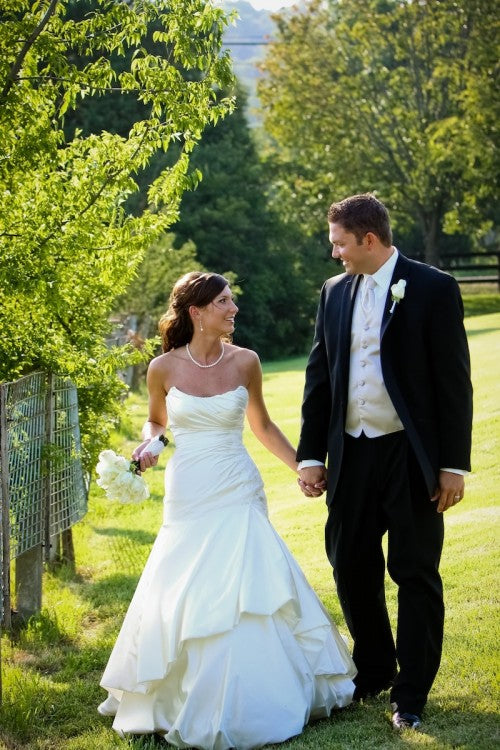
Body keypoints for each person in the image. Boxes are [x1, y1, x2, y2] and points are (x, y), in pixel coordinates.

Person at [98, 271, 356, 749]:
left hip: (237, 483)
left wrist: (302, 466)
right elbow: (156, 421)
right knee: (188, 580)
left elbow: (261, 423)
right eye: (223, 301)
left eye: (232, 300)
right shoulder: (162, 368)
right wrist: (150, 445)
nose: (233, 308)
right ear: (196, 311)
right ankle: (179, 695)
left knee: (246, 582)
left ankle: (262, 694)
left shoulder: (246, 362)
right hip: (189, 487)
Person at [296, 194, 472, 731]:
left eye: (340, 244)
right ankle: (374, 668)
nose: (336, 255)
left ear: (369, 240)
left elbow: (452, 383)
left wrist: (452, 466)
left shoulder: (434, 288)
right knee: (349, 562)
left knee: (414, 570)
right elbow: (320, 376)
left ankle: (411, 694)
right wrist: (310, 455)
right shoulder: (333, 293)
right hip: (352, 450)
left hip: (409, 453)